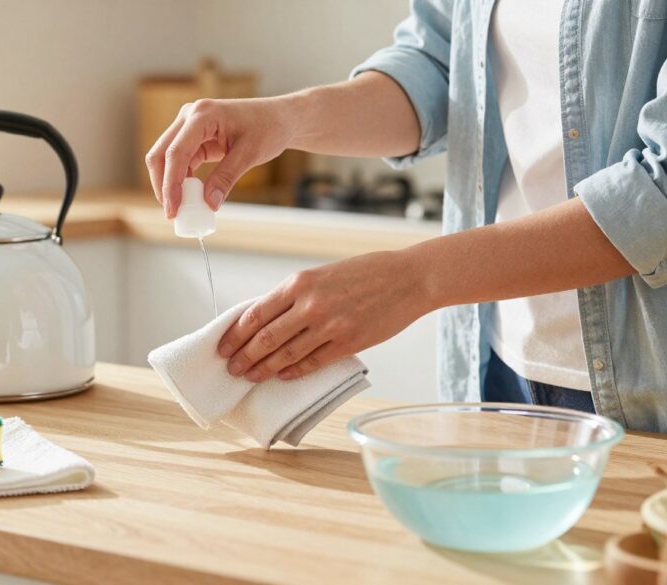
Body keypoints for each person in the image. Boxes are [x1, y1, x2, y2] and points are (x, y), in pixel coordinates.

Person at [145, 0, 667, 432]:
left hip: (647, 389)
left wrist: (413, 280)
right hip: (496, 365)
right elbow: (438, 66)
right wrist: (287, 118)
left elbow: (657, 194)